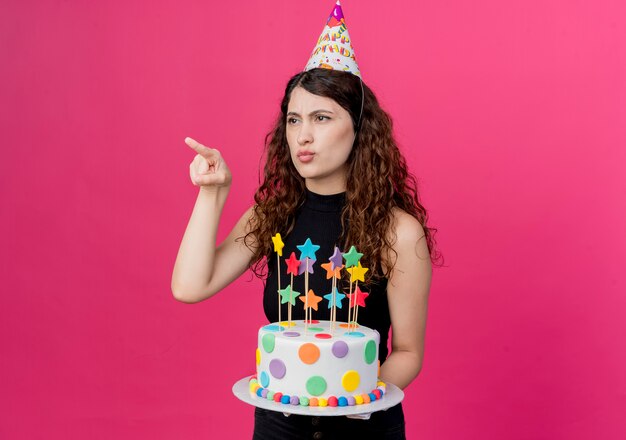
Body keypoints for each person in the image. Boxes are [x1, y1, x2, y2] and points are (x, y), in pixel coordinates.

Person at [171, 3, 438, 439]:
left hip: (364, 430)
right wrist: (212, 193)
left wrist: (352, 399)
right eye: (294, 120)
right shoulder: (272, 213)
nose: (303, 136)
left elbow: (408, 351)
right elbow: (189, 286)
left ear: (359, 131)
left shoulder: (398, 232)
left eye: (321, 118)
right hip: (279, 427)